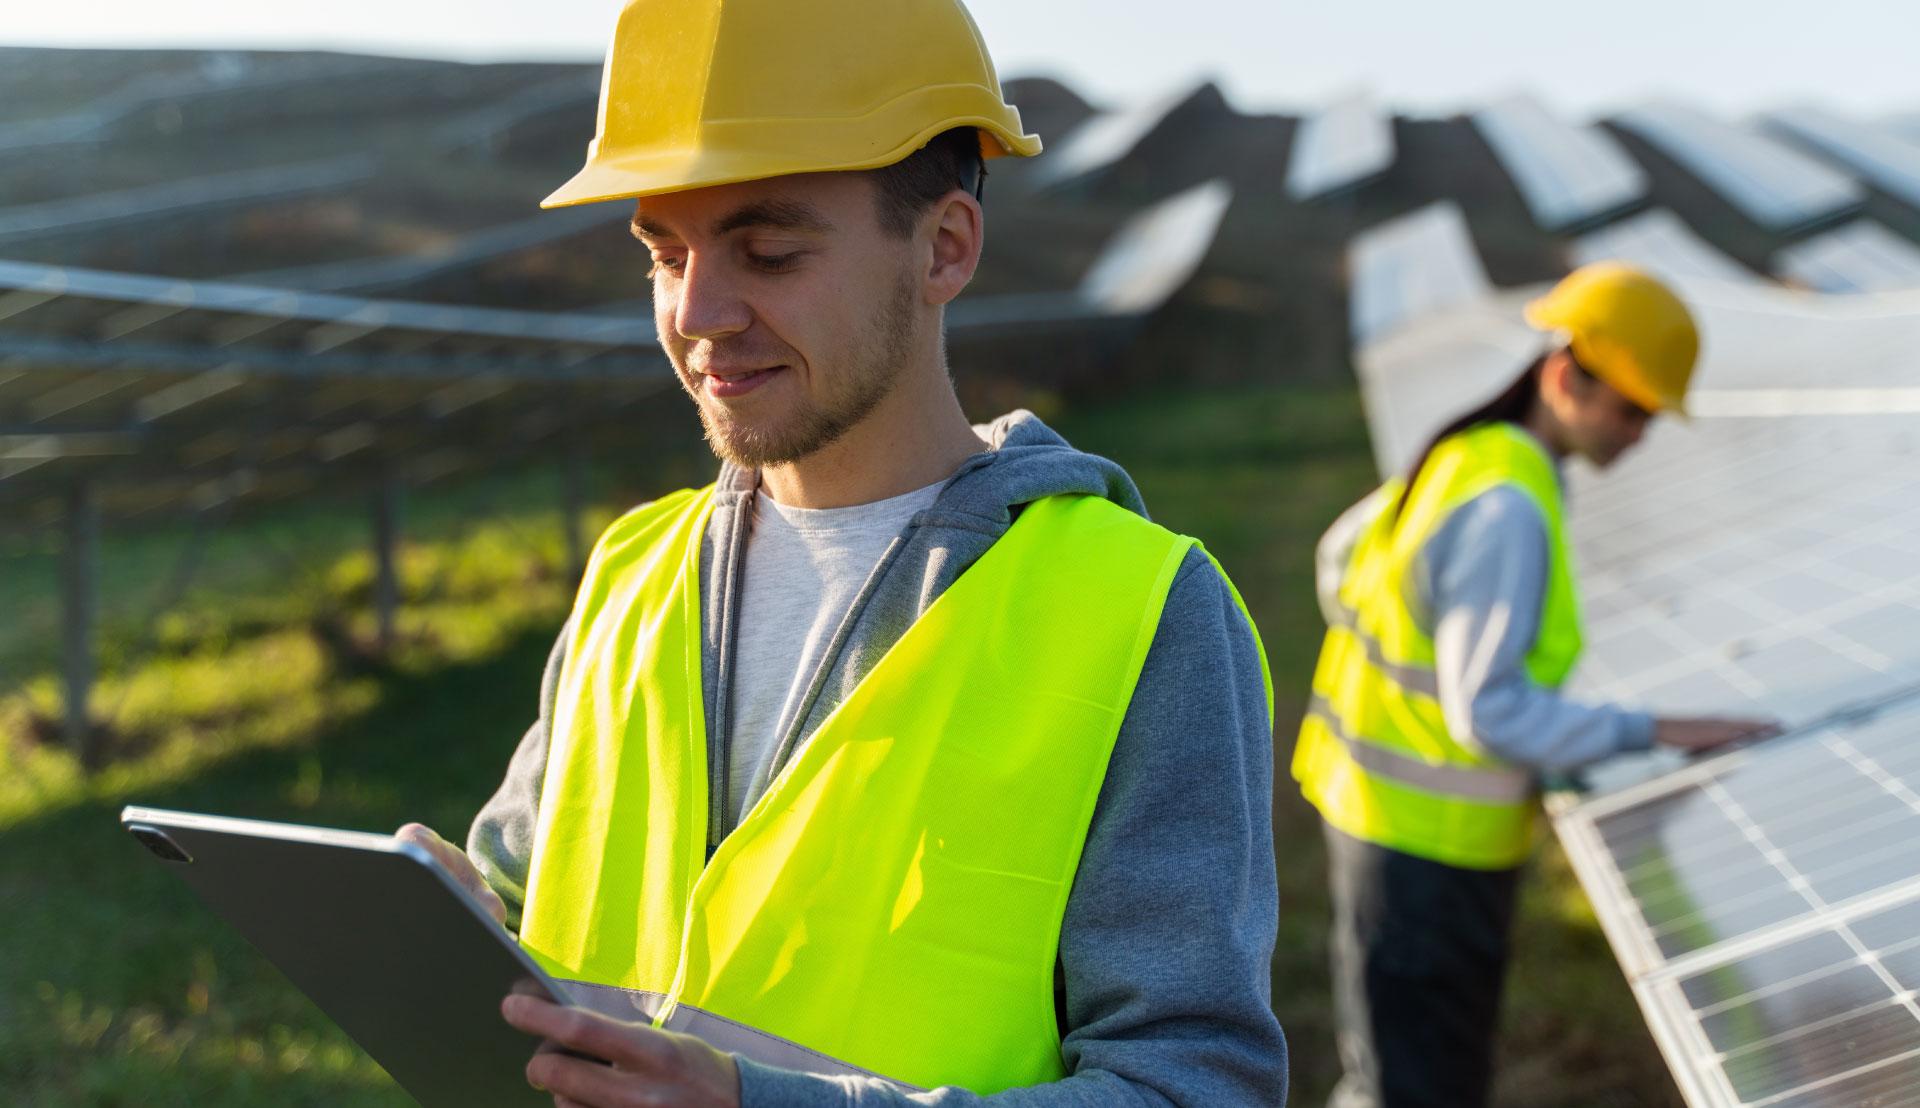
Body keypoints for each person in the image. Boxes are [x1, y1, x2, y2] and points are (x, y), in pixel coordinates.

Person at [396, 0, 1289, 1104]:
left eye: (768, 251)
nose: (700, 311)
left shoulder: (1143, 613)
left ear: (945, 248)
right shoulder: (634, 572)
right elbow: (541, 907)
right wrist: (457, 925)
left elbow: (1191, 1085)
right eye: (665, 254)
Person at [1293, 262, 1777, 1108]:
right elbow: (1489, 711)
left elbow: (1340, 562)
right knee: (1423, 1087)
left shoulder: (1469, 453)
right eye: (1630, 408)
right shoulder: (1509, 506)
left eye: (1651, 415)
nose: (1639, 434)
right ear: (1563, 374)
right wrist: (1652, 729)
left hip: (1374, 818)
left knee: (1386, 1071)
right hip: (1432, 855)